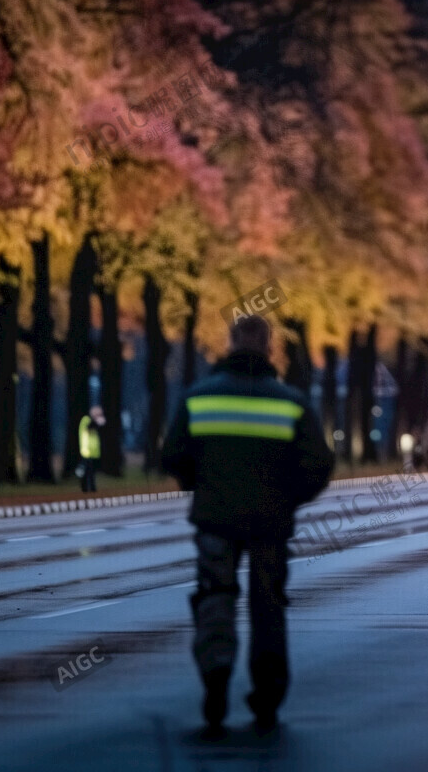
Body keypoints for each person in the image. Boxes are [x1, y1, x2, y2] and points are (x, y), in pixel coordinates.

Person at [161, 315, 334, 737]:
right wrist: (289, 499)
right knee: (267, 606)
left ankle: (216, 681)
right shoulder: (291, 403)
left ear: (231, 343)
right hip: (270, 524)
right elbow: (319, 464)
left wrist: (198, 484)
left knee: (215, 598)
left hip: (215, 520)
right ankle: (267, 696)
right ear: (270, 347)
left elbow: (172, 455)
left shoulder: (199, 398)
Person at [77, 406, 104, 492]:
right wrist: (97, 423)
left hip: (92, 452)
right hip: (86, 451)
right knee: (86, 471)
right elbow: (89, 427)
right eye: (98, 414)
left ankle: (91, 488)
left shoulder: (91, 422)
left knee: (91, 472)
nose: (99, 416)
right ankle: (85, 489)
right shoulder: (86, 420)